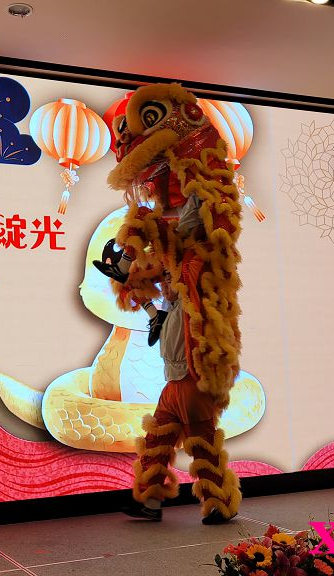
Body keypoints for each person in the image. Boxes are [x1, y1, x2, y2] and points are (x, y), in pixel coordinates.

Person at [96, 83, 244, 525]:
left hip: (195, 373)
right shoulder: (180, 269)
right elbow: (162, 261)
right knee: (162, 435)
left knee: (199, 440)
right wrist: (132, 271)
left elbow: (192, 228)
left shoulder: (203, 262)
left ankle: (215, 501)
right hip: (177, 372)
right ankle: (151, 499)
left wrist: (148, 236)